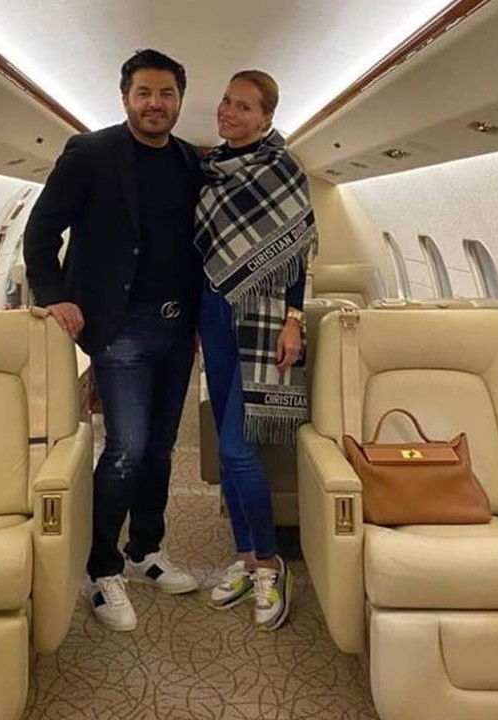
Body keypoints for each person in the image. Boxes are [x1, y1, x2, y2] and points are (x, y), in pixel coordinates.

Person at [24, 49, 203, 632]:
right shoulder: (90, 153)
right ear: (125, 97)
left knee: (161, 446)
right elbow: (40, 231)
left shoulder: (190, 162)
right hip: (120, 325)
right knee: (126, 446)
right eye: (144, 93)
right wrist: (55, 294)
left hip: (177, 324)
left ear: (180, 100)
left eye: (167, 93)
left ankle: (145, 548)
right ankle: (101, 568)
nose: (156, 103)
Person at [195, 70, 316, 631]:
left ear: (267, 116)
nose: (229, 111)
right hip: (213, 312)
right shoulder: (209, 169)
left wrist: (294, 321)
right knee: (227, 449)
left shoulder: (283, 170)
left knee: (237, 447)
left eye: (244, 106)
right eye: (226, 101)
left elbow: (296, 254)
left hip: (263, 318)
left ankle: (270, 564)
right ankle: (244, 558)